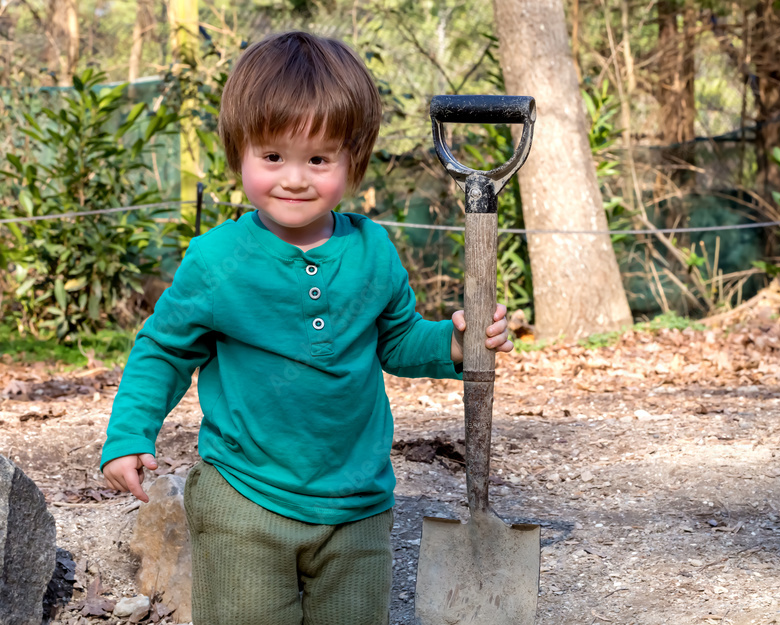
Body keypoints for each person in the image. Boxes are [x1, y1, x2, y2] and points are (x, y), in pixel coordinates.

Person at [99, 30, 513, 625]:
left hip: (357, 505)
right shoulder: (217, 261)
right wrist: (129, 435)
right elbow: (163, 350)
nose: (294, 178)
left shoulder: (372, 250)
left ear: (354, 160)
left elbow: (395, 342)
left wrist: (451, 340)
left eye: (318, 159)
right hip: (245, 498)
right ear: (238, 152)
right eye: (272, 157)